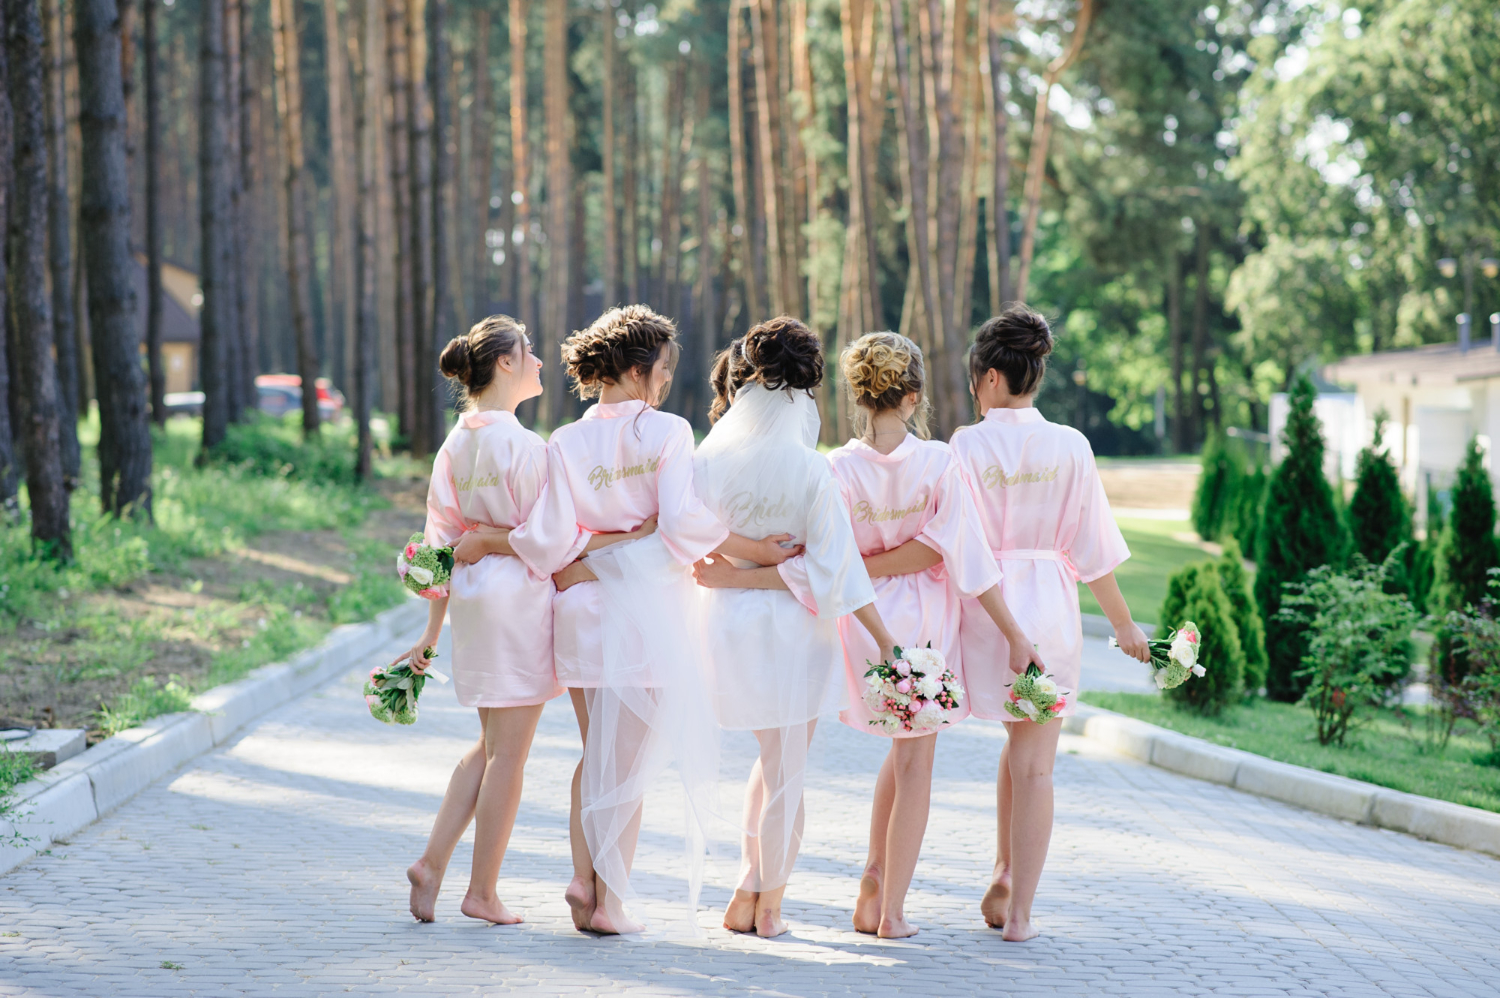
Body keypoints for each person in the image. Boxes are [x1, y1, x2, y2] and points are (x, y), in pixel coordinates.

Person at [508, 305, 799, 935]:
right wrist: (750, 549)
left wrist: (594, 550)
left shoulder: (565, 441)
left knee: (597, 754)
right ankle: (608, 901)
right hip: (645, 615)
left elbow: (552, 541)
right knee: (630, 766)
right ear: (639, 369)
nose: (667, 382)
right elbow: (683, 525)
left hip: (581, 610)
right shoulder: (666, 432)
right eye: (663, 369)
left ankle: (584, 879)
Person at [819, 332, 1040, 939]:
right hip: (923, 633)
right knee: (918, 761)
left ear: (860, 396)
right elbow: (961, 556)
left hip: (867, 628)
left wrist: (864, 565)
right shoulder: (940, 461)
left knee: (901, 746)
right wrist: (1015, 634)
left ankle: (873, 876)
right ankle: (891, 913)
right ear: (912, 396)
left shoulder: (834, 468)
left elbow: (834, 561)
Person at [689, 317, 898, 938]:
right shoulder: (811, 470)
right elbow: (838, 571)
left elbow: (689, 539)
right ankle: (768, 900)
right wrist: (889, 644)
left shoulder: (708, 459)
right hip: (793, 632)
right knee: (788, 772)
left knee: (770, 761)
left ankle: (747, 889)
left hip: (728, 628)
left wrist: (741, 565)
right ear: (806, 387)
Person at [950, 306, 1151, 942]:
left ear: (987, 378)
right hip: (1050, 611)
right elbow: (1093, 551)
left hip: (990, 613)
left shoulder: (965, 444)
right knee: (1037, 765)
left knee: (1015, 747)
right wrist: (1125, 628)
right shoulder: (1071, 444)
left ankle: (1006, 870)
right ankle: (1022, 914)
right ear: (1034, 375)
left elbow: (963, 547)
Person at [399, 316, 573, 926]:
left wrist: (431, 630)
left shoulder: (455, 445)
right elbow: (551, 540)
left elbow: (438, 546)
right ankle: (483, 892)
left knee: (490, 744)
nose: (541, 363)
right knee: (510, 755)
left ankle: (433, 863)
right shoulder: (527, 447)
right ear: (505, 363)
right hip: (518, 602)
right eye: (531, 353)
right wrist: (503, 540)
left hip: (472, 603)